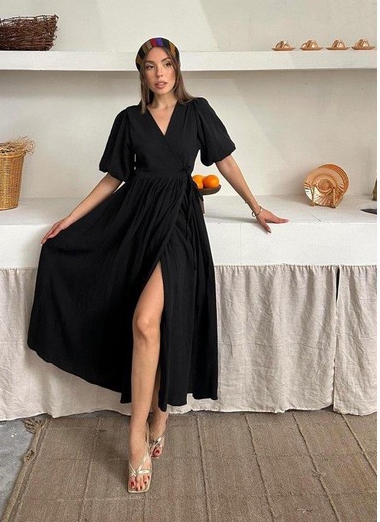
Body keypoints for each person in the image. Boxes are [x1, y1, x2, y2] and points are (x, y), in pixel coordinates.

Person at [27, 37, 289, 493]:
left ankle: (145, 427)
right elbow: (113, 178)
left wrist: (255, 206)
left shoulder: (197, 111)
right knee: (149, 324)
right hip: (136, 222)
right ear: (142, 74)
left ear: (177, 68)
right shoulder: (128, 120)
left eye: (166, 64)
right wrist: (69, 220)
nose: (159, 73)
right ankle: (152, 421)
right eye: (150, 66)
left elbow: (225, 162)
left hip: (180, 223)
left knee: (146, 321)